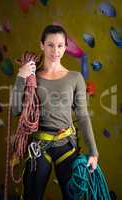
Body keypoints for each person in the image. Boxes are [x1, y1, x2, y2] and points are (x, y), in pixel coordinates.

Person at [11, 25, 99, 200]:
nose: (56, 50)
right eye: (50, 45)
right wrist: (21, 78)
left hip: (66, 146)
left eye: (60, 45)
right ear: (42, 45)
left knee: (72, 196)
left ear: (65, 47)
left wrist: (93, 152)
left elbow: (82, 116)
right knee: (31, 196)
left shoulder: (75, 78)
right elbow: (15, 110)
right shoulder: (31, 78)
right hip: (39, 147)